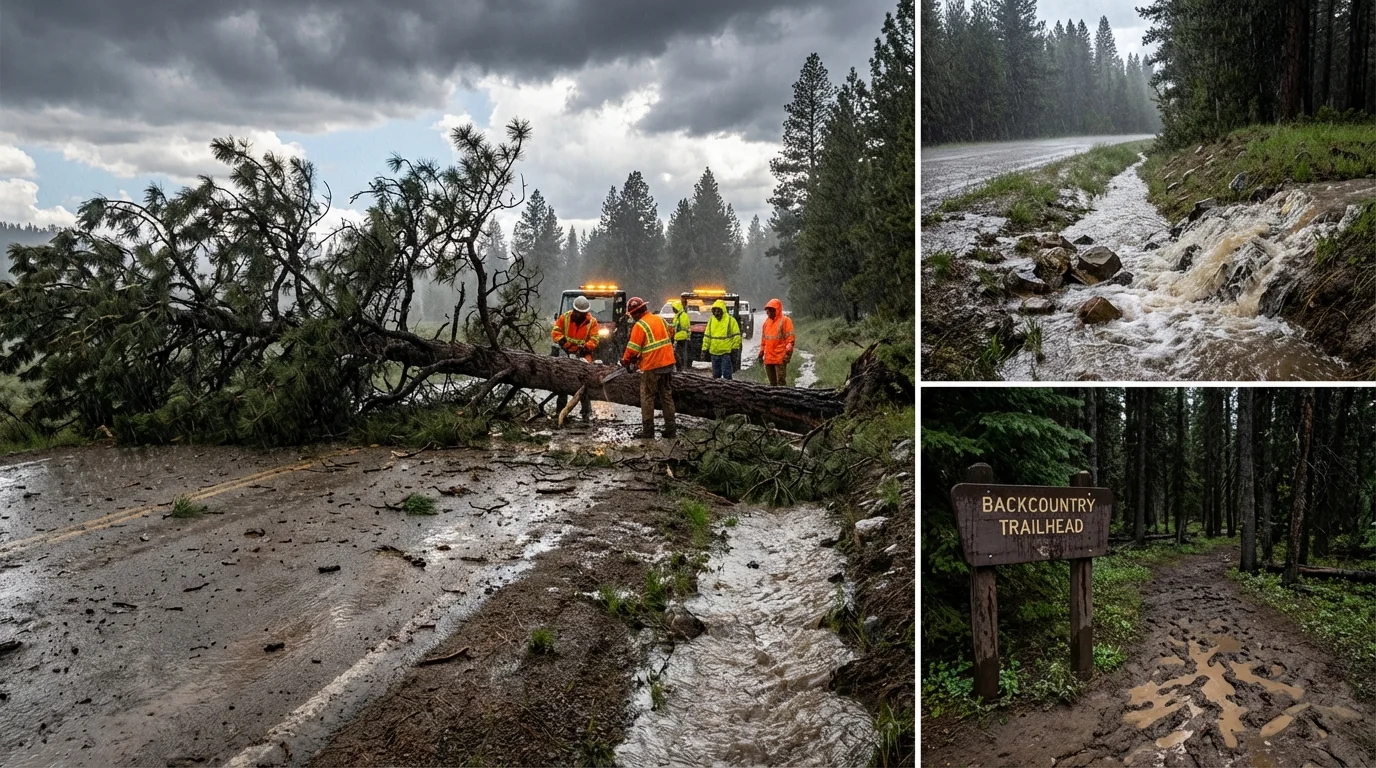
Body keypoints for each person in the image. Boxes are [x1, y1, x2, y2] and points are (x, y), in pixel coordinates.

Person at [621, 296, 676, 439]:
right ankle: (671, 429)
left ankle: (648, 431)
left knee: (647, 397)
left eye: (632, 315)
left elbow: (632, 349)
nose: (632, 318)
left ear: (635, 313)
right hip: (668, 363)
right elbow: (671, 333)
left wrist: (626, 361)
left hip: (652, 366)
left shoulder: (640, 326)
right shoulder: (660, 319)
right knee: (667, 397)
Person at [550, 295, 598, 421]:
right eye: (578, 313)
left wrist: (586, 347)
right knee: (562, 382)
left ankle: (586, 412)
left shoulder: (592, 322)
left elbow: (594, 340)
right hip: (566, 352)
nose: (580, 315)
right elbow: (555, 332)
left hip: (583, 355)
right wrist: (564, 343)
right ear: (574, 310)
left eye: (583, 313)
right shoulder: (564, 318)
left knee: (584, 383)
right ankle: (560, 411)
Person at [756, 298, 795, 386]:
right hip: (769, 359)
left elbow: (790, 340)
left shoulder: (785, 321)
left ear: (776, 310)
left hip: (780, 358)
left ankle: (783, 399)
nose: (768, 312)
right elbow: (764, 340)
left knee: (781, 383)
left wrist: (787, 355)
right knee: (772, 384)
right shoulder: (766, 322)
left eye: (770, 310)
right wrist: (761, 353)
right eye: (767, 310)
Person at [701, 299, 741, 380]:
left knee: (727, 375)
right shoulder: (712, 320)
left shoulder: (730, 320)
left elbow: (736, 336)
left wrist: (735, 349)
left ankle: (729, 391)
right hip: (714, 353)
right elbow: (707, 336)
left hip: (725, 353)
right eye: (714, 311)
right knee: (716, 375)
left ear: (723, 310)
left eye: (718, 311)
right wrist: (704, 349)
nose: (716, 313)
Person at [671, 300, 692, 372]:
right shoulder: (678, 315)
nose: (673, 310)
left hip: (682, 337)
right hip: (678, 337)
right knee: (679, 353)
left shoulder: (683, 315)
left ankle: (683, 367)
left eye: (674, 309)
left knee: (682, 354)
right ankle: (681, 367)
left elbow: (684, 327)